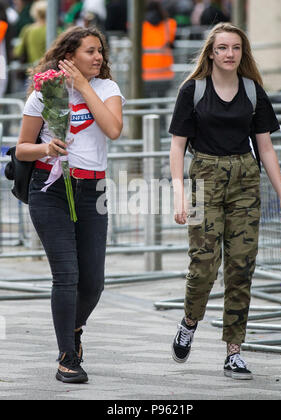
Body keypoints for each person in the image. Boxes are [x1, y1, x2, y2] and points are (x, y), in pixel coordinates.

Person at [169, 23, 281, 380]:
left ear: (243, 53)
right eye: (222, 48)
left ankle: (234, 351)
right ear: (211, 52)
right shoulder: (192, 91)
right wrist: (179, 192)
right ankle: (190, 321)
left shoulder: (253, 92)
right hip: (204, 179)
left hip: (244, 180)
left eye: (235, 48)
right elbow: (177, 146)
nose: (229, 54)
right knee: (204, 264)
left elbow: (265, 148)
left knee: (241, 266)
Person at [15, 26, 124, 384]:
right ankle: (67, 357)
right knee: (67, 276)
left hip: (93, 192)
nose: (98, 57)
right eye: (90, 51)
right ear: (69, 56)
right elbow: (21, 149)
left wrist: (83, 87)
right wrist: (47, 148)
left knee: (93, 283)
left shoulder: (106, 89)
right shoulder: (44, 93)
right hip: (50, 191)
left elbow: (113, 129)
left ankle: (74, 329)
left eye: (100, 52)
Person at [142, 0, 177, 98]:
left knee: (144, 106)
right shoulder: (170, 24)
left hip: (145, 76)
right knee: (162, 106)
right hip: (165, 75)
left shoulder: (140, 26)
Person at [14, 0, 46, 65]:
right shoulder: (56, 29)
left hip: (33, 68)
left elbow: (18, 51)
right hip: (50, 69)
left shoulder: (28, 30)